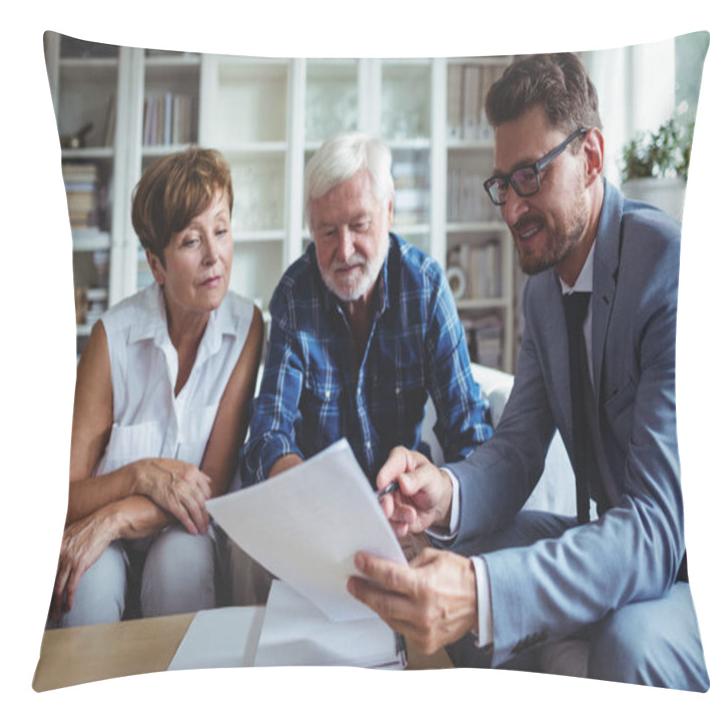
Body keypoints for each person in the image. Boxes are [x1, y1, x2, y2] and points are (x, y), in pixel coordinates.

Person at [347, 53, 710, 691]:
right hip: (614, 535)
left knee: (633, 642)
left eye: (529, 177)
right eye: (502, 185)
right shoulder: (544, 291)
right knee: (450, 552)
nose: (511, 209)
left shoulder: (670, 273)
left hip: (691, 566)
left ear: (591, 157)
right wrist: (445, 493)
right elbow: (517, 449)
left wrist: (484, 595)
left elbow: (656, 530)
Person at [49, 147, 263, 627]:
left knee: (182, 564)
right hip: (100, 535)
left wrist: (116, 517)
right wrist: (137, 475)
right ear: (156, 265)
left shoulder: (247, 327)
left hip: (183, 527)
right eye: (191, 241)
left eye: (221, 231)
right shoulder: (112, 339)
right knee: (89, 583)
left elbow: (209, 488)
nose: (214, 257)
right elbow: (60, 497)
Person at [241, 132, 492, 489]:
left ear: (388, 213)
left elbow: (470, 432)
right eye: (327, 233)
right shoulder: (295, 297)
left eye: (359, 226)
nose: (344, 252)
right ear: (311, 228)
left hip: (402, 499)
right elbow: (268, 433)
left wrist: (439, 494)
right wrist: (301, 487)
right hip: (319, 502)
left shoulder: (425, 288)